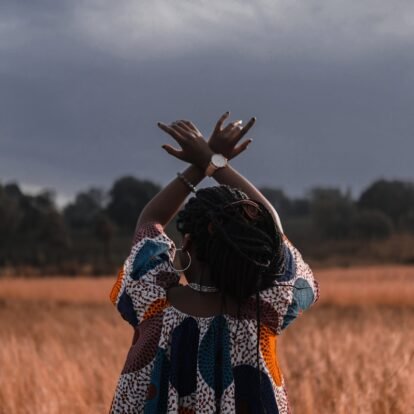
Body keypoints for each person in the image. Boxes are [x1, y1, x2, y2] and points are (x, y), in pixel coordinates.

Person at [109, 112, 319, 414]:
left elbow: (150, 221)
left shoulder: (151, 303)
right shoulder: (265, 312)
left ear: (188, 244)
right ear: (257, 255)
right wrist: (213, 161)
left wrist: (197, 167)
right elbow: (272, 229)